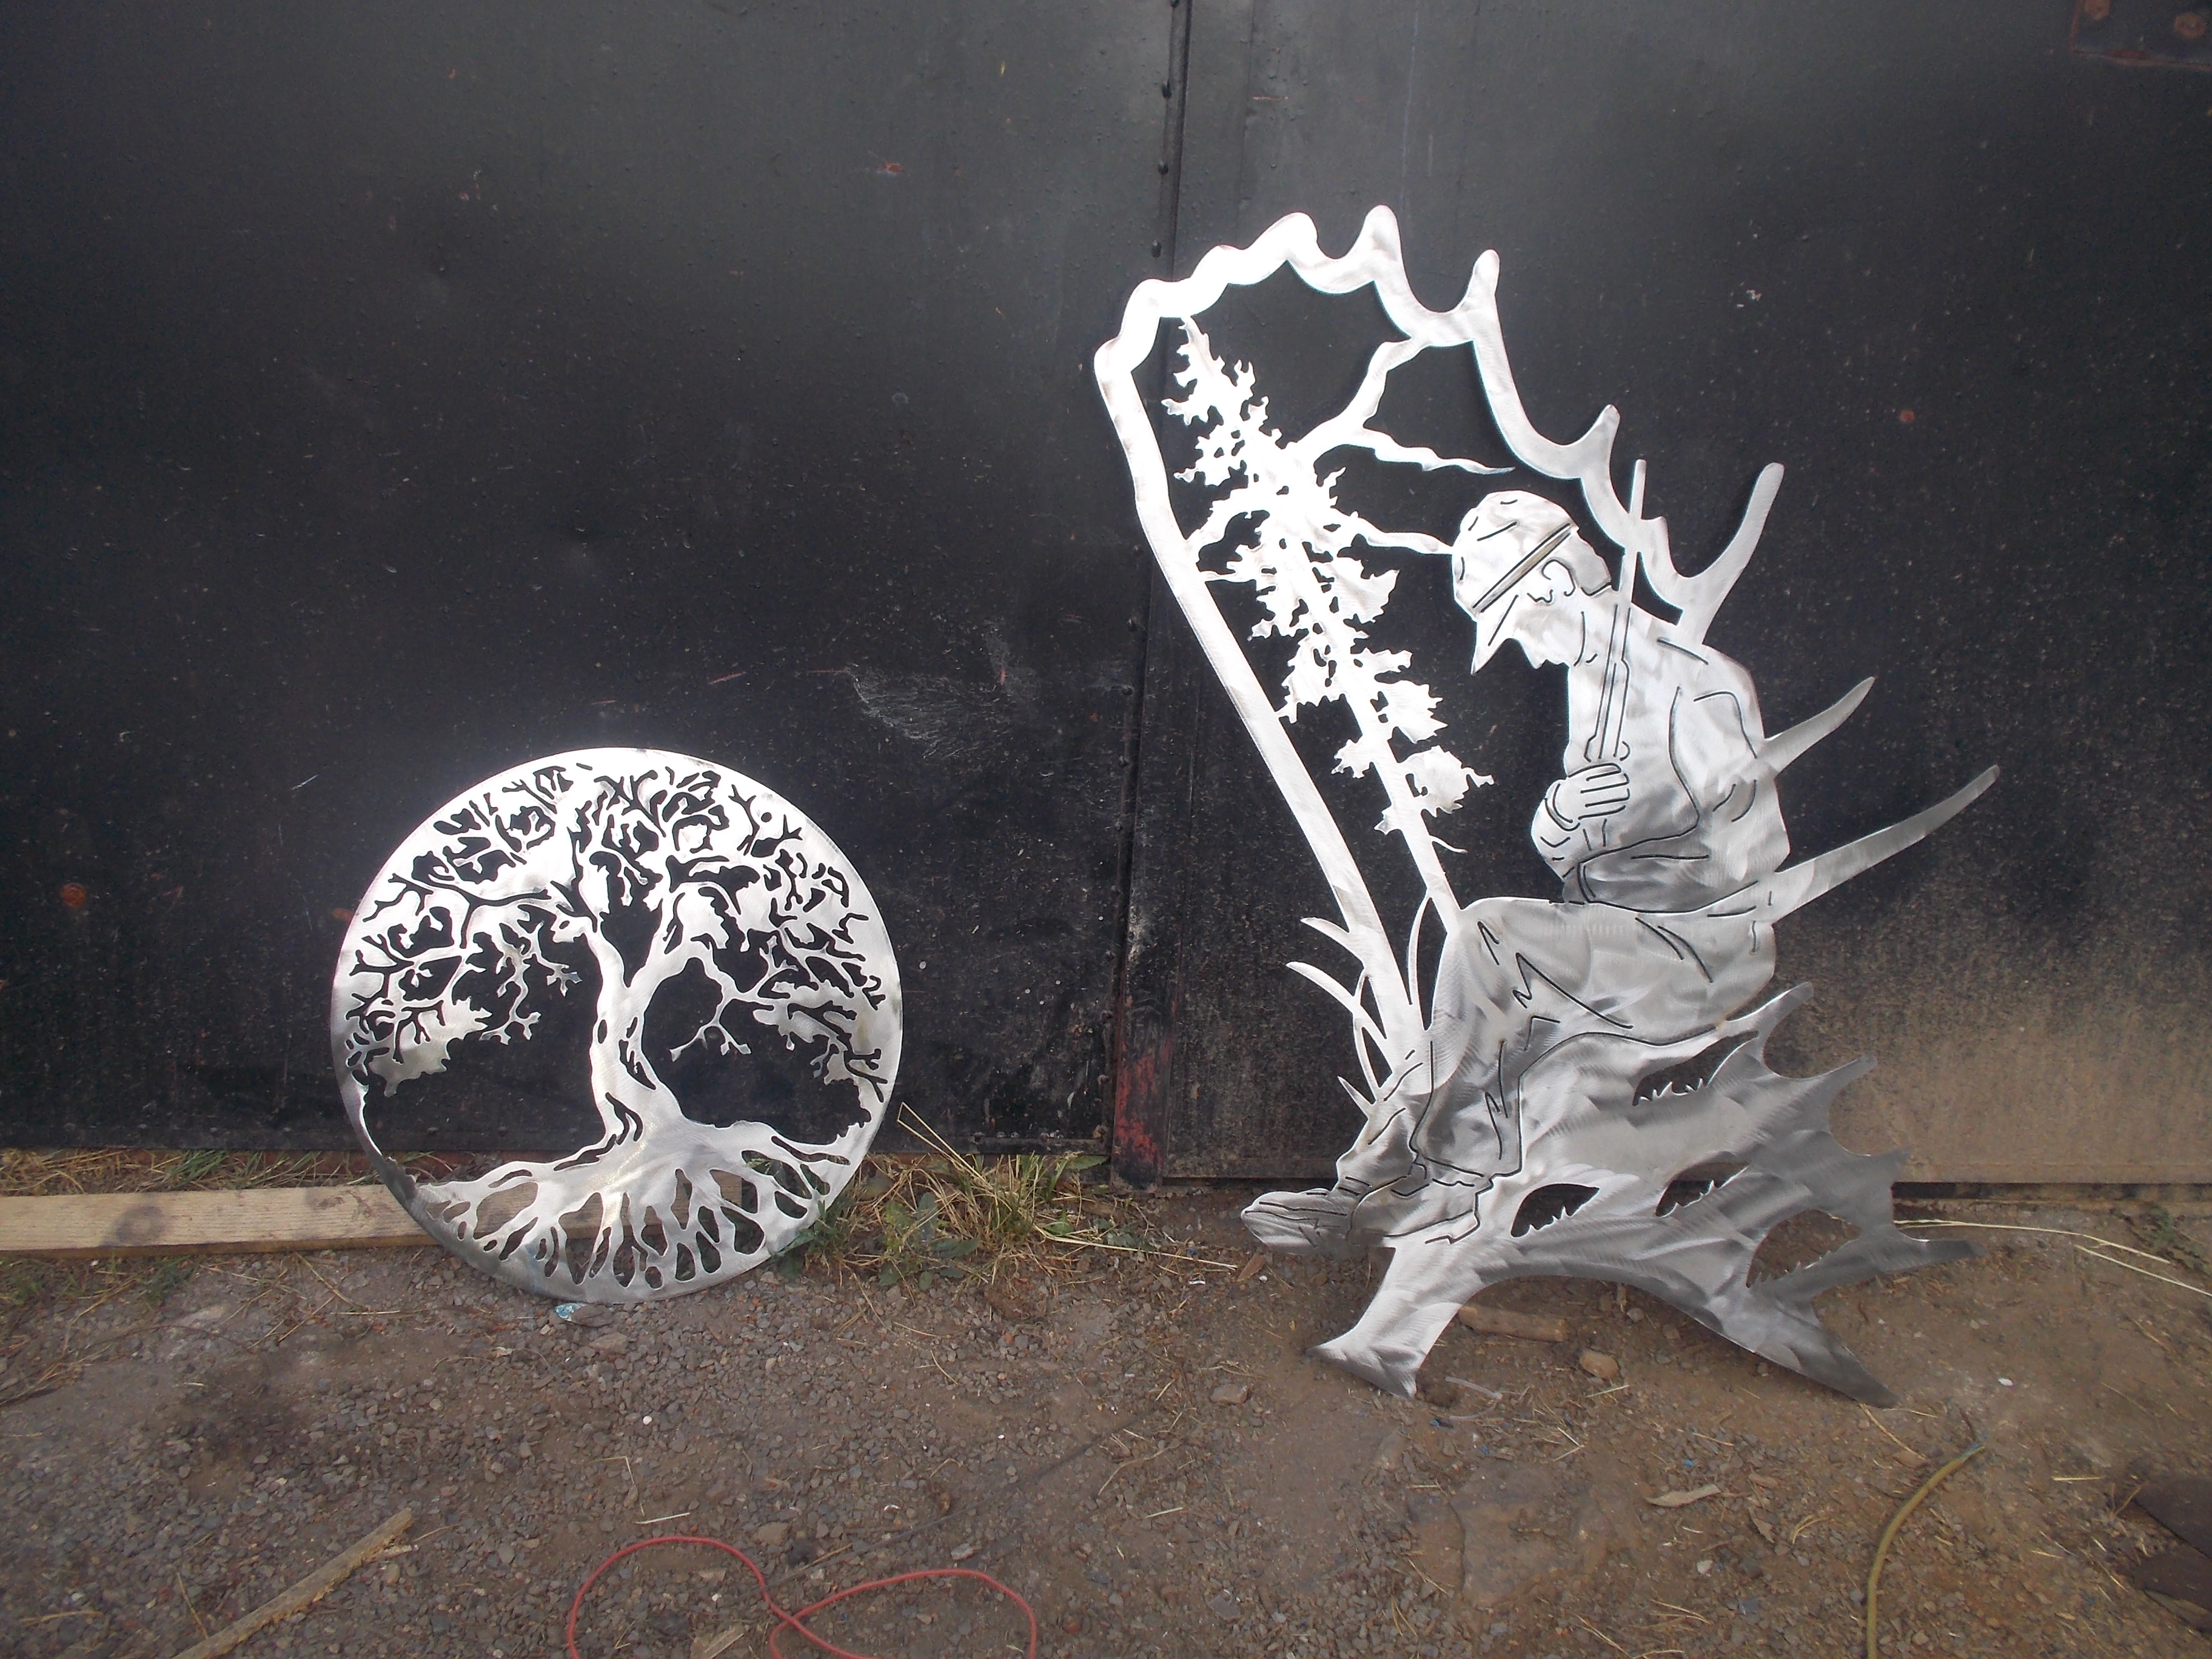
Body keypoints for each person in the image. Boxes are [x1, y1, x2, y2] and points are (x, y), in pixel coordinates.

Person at [1252, 491, 1794, 1249]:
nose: (1528, 652)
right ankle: (1384, 1184)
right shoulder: (1593, 680)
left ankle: (1419, 1184)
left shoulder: (1695, 682)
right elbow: (1571, 854)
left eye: (1521, 626)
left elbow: (1754, 855)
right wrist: (1563, 817)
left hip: (1700, 946)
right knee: (1486, 996)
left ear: (1553, 585)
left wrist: (1652, 816)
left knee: (1490, 938)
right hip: (1612, 934)